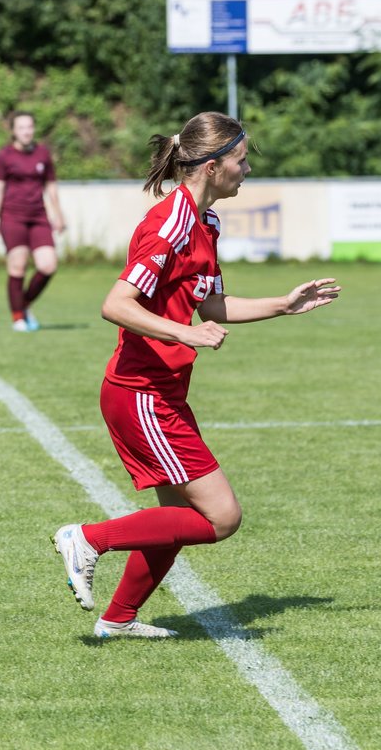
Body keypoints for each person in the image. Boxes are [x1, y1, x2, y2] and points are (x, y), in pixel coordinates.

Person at [51, 111, 340, 638]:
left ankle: (118, 620)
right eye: (240, 159)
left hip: (161, 392)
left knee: (178, 518)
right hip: (140, 393)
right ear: (210, 166)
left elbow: (211, 306)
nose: (247, 169)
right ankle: (87, 538)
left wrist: (283, 303)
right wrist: (182, 335)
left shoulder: (204, 222)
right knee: (221, 517)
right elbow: (116, 304)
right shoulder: (170, 222)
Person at [0, 111, 66, 331]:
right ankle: (18, 318)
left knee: (48, 265)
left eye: (29, 127)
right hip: (12, 217)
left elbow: (51, 187)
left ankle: (24, 304)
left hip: (39, 217)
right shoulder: (4, 157)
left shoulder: (42, 154)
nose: (26, 131)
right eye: (21, 127)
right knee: (18, 266)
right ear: (13, 130)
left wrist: (58, 215)